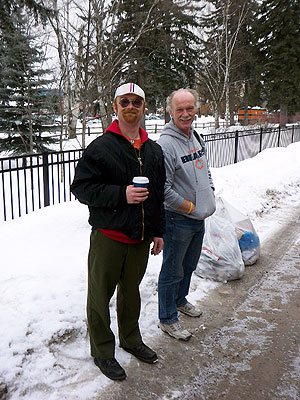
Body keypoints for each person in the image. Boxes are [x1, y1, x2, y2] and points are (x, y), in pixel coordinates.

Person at [71, 83, 165, 381]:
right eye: (124, 101)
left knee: (131, 294)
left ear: (144, 107)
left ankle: (131, 339)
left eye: (136, 102)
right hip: (109, 237)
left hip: (140, 239)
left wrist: (158, 231)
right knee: (99, 297)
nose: (131, 107)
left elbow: (159, 194)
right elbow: (82, 188)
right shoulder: (101, 147)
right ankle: (102, 351)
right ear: (115, 107)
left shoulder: (153, 150)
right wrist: (121, 194)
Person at [157, 88, 216, 341]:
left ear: (196, 109)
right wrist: (191, 208)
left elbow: (205, 169)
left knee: (189, 266)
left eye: (189, 108)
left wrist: (209, 190)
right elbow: (163, 190)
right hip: (178, 220)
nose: (185, 114)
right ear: (170, 111)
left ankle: (180, 301)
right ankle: (167, 318)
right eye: (179, 109)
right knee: (172, 270)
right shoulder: (166, 145)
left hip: (198, 219)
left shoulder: (195, 136)